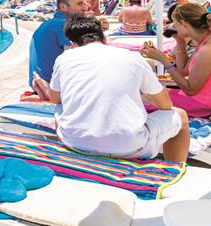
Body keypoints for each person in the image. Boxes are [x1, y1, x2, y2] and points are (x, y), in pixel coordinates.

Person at [48, 15, 188, 161]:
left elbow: (55, 98)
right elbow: (166, 105)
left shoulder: (64, 58)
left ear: (73, 44)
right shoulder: (133, 58)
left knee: (60, 107)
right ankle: (174, 168)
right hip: (129, 146)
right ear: (104, 38)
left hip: (74, 142)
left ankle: (71, 157)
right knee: (181, 115)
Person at [141, 2, 211, 117]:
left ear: (183, 23)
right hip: (196, 99)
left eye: (175, 23)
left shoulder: (207, 49)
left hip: (201, 104)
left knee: (139, 100)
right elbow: (183, 71)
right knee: (145, 93)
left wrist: (164, 60)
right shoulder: (204, 41)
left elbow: (190, 89)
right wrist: (180, 42)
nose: (173, 26)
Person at [29, 0, 86, 99]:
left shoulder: (50, 24)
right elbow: (76, 61)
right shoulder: (64, 25)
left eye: (84, 3)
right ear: (63, 7)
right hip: (52, 88)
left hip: (39, 82)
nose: (85, 8)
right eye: (80, 4)